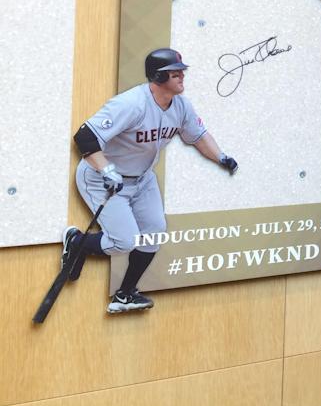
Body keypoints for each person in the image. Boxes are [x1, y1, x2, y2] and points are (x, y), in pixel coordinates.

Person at [63, 47, 238, 314]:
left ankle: (125, 295)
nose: (181, 75)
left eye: (181, 70)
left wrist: (221, 157)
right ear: (158, 76)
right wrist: (107, 169)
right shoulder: (131, 104)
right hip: (102, 179)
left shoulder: (180, 105)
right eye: (174, 72)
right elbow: (85, 137)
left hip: (142, 179)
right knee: (124, 241)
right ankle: (76, 242)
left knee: (153, 233)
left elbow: (199, 135)